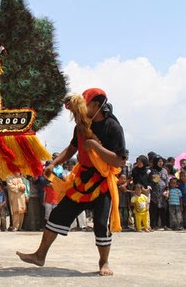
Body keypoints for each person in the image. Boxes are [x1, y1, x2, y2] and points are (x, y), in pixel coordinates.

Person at [17, 88, 126, 276]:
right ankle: (40, 255)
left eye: (84, 106)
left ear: (96, 105)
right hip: (81, 180)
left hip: (102, 182)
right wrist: (54, 163)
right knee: (57, 215)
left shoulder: (113, 127)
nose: (79, 111)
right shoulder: (81, 126)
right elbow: (72, 148)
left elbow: (119, 160)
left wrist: (95, 146)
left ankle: (104, 262)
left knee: (101, 224)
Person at [148, 155, 169, 230]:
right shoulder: (151, 170)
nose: (160, 163)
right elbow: (152, 180)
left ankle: (164, 225)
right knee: (154, 209)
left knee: (163, 209)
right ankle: (154, 225)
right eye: (159, 161)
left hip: (163, 193)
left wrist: (167, 191)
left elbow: (167, 182)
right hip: (154, 193)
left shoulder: (165, 171)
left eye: (161, 161)